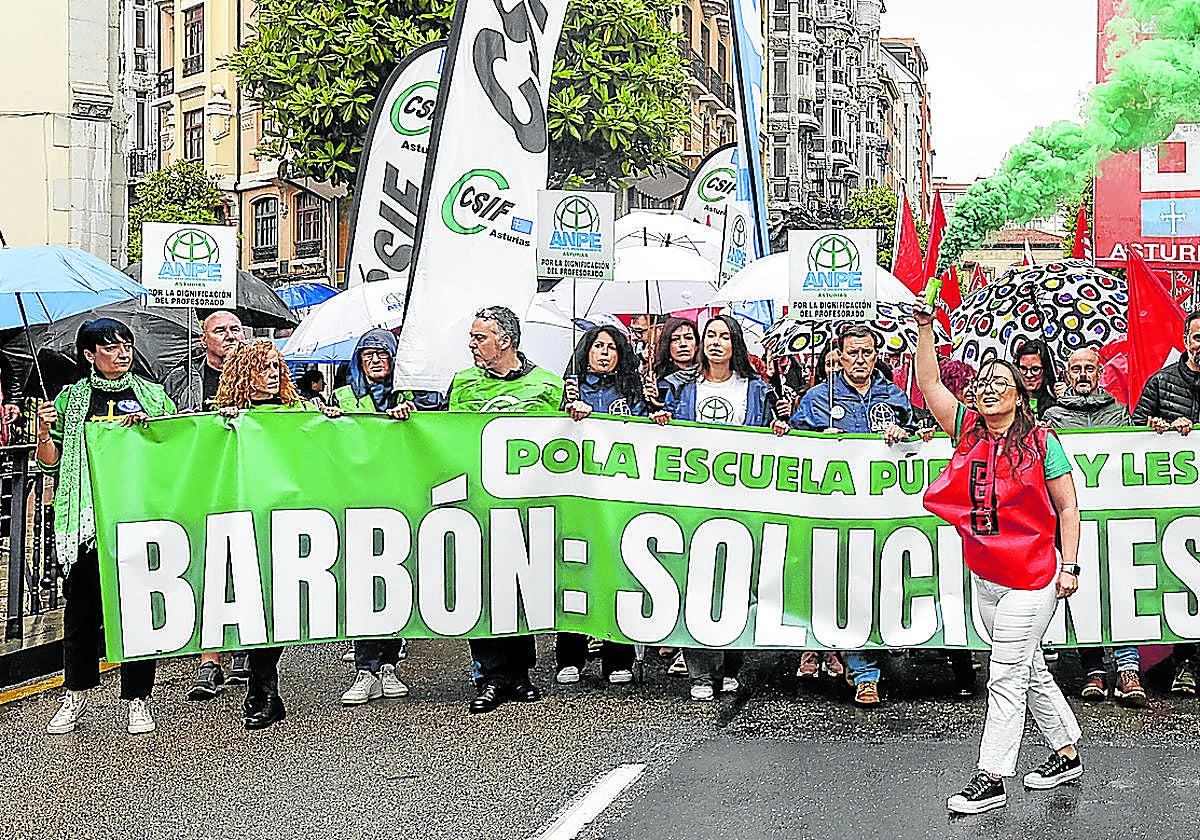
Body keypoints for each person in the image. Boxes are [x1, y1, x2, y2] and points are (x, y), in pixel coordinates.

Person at [914, 309, 1084, 815]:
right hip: (987, 579)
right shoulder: (965, 431)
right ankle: (1066, 752)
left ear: (1020, 393)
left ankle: (990, 777)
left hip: (1034, 579)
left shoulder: (1042, 442)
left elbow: (1068, 506)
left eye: (1001, 382)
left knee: (1005, 675)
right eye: (984, 382)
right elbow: (928, 382)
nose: (990, 389)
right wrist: (926, 328)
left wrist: (1069, 565)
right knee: (1027, 667)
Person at [37, 319, 177, 736]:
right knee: (80, 615)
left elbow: (173, 445)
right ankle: (75, 694)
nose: (122, 353)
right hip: (86, 523)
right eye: (111, 346)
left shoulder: (151, 395)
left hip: (136, 519)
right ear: (89, 354)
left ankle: (137, 699)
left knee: (137, 612)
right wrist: (45, 430)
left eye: (126, 345)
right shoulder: (70, 400)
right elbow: (50, 462)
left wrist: (149, 431)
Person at [656, 314, 789, 700]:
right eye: (709, 336)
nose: (715, 343)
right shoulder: (680, 389)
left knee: (737, 581)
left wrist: (777, 430)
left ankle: (731, 664)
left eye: (723, 337)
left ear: (736, 346)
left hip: (742, 501)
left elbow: (770, 438)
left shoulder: (757, 390)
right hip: (696, 501)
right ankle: (702, 671)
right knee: (695, 582)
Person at [789, 324, 916, 707]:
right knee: (850, 587)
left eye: (866, 352)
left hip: (885, 511)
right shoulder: (817, 398)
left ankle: (878, 650)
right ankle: (864, 674)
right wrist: (815, 438)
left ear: (876, 355)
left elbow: (920, 432)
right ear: (839, 357)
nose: (859, 359)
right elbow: (792, 444)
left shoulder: (894, 396)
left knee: (883, 585)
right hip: (836, 514)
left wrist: (904, 432)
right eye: (852, 353)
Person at [213, 338, 336, 730]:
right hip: (242, 518)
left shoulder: (296, 411)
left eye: (275, 367)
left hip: (284, 519)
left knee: (274, 604)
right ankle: (263, 687)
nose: (272, 374)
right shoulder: (225, 416)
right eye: (263, 367)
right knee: (250, 600)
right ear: (243, 372)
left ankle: (263, 686)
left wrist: (329, 419)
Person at [447, 306, 564, 713]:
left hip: (526, 506)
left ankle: (521, 674)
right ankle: (490, 677)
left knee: (520, 589)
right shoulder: (462, 384)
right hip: (478, 505)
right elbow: (444, 438)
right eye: (472, 336)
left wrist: (578, 416)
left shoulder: (548, 385)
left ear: (506, 341)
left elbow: (562, 442)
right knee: (483, 591)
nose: (472, 344)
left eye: (479, 337)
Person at [1041, 347, 1143, 705]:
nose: (1083, 374)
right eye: (1076, 368)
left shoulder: (1119, 413)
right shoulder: (1051, 417)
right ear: (1067, 375)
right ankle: (1094, 668)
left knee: (1121, 585)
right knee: (1085, 591)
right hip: (1073, 518)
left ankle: (1128, 668)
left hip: (1114, 517)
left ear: (1100, 373)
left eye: (1090, 368)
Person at [331, 329, 416, 706]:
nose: (376, 361)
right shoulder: (342, 398)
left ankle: (389, 664)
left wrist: (409, 418)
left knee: (394, 581)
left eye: (383, 354)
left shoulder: (411, 397)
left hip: (400, 501)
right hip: (358, 501)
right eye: (368, 356)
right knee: (364, 586)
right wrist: (330, 420)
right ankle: (365, 668)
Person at [557, 325, 643, 686]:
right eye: (597, 347)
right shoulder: (569, 390)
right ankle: (570, 656)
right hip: (578, 498)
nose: (604, 353)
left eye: (612, 347)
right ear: (585, 352)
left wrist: (652, 410)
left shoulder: (632, 393)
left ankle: (617, 656)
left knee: (617, 574)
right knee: (574, 573)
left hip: (619, 499)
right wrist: (565, 410)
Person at [182, 310, 252, 700]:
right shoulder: (184, 378)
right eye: (220, 330)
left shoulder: (260, 372)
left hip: (247, 485)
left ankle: (245, 647)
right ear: (204, 338)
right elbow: (169, 423)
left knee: (246, 564)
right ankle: (210, 660)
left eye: (235, 329)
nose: (229, 335)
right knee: (210, 569)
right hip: (205, 486)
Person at [1132, 310, 1200, 696]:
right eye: (1197, 337)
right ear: (1186, 340)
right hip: (1171, 505)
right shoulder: (1162, 382)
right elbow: (1132, 432)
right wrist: (1155, 429)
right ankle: (1181, 661)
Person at [644, 316, 700, 411]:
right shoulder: (658, 381)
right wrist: (653, 400)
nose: (682, 344)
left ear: (697, 345)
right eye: (675, 339)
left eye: (688, 338)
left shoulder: (707, 377)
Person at [1013, 339, 1058, 419]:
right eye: (1023, 369)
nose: (1029, 375)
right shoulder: (1010, 400)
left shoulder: (1057, 399)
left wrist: (1066, 399)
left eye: (1035, 369)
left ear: (1046, 370)